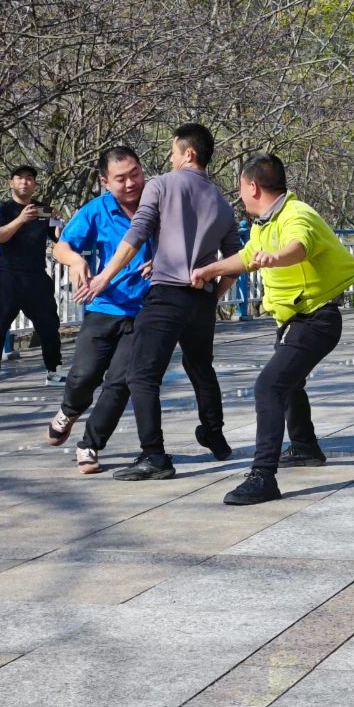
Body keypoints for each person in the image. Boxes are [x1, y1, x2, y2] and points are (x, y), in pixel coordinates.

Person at [191, 154, 354, 505]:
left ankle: (263, 476)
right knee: (288, 384)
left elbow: (298, 246)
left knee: (268, 387)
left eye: (241, 187)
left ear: (252, 186)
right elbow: (247, 257)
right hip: (294, 320)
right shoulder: (264, 224)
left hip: (315, 319)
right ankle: (304, 445)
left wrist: (276, 258)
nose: (240, 194)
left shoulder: (296, 214)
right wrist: (209, 270)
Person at [79, 124, 240, 481]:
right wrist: (214, 295)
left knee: (141, 376)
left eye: (172, 151)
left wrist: (104, 277)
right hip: (201, 299)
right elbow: (234, 261)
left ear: (188, 153)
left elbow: (136, 236)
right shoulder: (222, 203)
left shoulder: (161, 185)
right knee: (201, 367)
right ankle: (214, 434)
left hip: (167, 296)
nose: (169, 158)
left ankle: (154, 455)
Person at [46, 146, 152, 474]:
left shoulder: (158, 204)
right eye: (121, 179)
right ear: (105, 182)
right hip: (105, 304)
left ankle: (90, 445)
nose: (131, 183)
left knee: (120, 382)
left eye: (135, 174)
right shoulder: (97, 210)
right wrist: (76, 260)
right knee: (84, 375)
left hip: (146, 309)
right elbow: (61, 247)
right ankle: (69, 410)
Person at [0, 165, 64, 393]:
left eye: (29, 179)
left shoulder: (42, 210)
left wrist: (58, 222)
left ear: (34, 184)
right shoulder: (3, 209)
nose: (25, 182)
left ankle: (54, 370)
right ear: (11, 183)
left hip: (36, 275)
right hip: (9, 276)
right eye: (20, 178)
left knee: (49, 325)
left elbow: (59, 240)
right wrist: (20, 220)